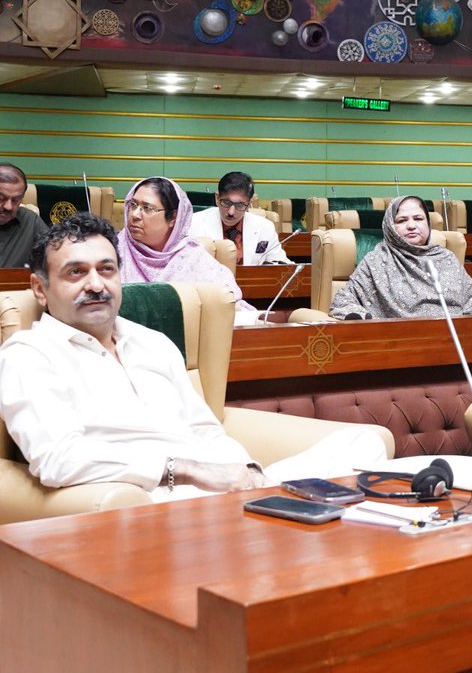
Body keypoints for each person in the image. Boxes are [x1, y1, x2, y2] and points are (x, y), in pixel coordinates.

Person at [0, 213, 386, 502]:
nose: (96, 285)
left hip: (225, 489)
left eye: (106, 269)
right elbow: (58, 461)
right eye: (75, 273)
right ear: (40, 288)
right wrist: (186, 472)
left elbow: (206, 430)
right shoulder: (29, 355)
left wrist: (246, 473)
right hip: (153, 496)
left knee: (364, 443)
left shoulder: (151, 342)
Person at [329, 195, 472, 320]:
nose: (412, 225)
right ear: (391, 227)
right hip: (402, 344)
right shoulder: (376, 261)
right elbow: (343, 303)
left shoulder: (446, 257)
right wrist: (365, 320)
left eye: (418, 218)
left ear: (427, 223)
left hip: (457, 341)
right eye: (402, 220)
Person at [117, 176, 252, 312]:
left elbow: (230, 303)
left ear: (173, 218)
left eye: (147, 208)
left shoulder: (192, 258)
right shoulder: (114, 250)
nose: (135, 214)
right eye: (133, 205)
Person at [188, 172, 290, 266]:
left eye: (240, 205)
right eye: (226, 203)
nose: (231, 212)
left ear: (249, 203)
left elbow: (281, 264)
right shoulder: (194, 224)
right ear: (217, 198)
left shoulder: (265, 227)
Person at [0, 164, 48, 268]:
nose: (8, 206)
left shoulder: (30, 220)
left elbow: (56, 253)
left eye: (16, 200)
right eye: (1, 198)